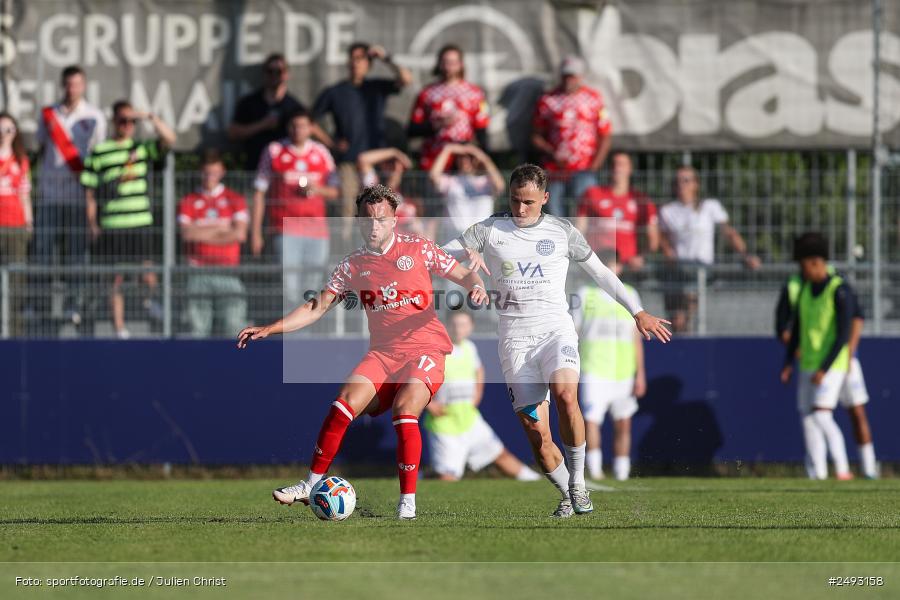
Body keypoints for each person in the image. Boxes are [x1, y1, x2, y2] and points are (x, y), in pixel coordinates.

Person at [237, 184, 489, 520]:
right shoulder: (352, 265)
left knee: (405, 409)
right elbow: (316, 307)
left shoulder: (418, 248)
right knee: (342, 404)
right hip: (384, 353)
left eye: (381, 219)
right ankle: (311, 484)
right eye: (368, 220)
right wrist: (271, 327)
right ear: (358, 222)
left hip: (425, 346)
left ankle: (407, 505)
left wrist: (477, 286)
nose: (375, 226)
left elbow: (463, 274)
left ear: (394, 220)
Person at [442, 164, 671, 517]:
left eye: (529, 203)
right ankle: (567, 493)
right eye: (516, 201)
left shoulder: (562, 231)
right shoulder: (488, 230)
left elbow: (602, 274)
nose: (520, 210)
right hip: (515, 341)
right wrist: (464, 258)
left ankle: (578, 483)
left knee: (566, 395)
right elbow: (434, 256)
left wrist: (636, 311)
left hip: (555, 330)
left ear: (545, 198)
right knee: (538, 435)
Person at [775, 234, 878, 479]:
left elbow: (852, 322)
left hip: (839, 362)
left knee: (853, 412)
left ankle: (864, 469)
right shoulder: (802, 289)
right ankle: (818, 474)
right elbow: (793, 328)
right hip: (813, 363)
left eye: (802, 264)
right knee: (811, 417)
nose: (800, 271)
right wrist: (790, 361)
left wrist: (849, 353)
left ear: (813, 262)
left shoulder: (838, 287)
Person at [81, 101, 176, 339]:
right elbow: (90, 191)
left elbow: (170, 139)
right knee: (115, 278)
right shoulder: (100, 151)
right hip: (113, 223)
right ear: (114, 121)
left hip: (139, 221)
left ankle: (148, 303)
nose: (127, 125)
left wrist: (150, 116)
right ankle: (119, 327)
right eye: (122, 120)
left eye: (131, 121)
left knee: (148, 273)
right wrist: (92, 223)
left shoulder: (141, 148)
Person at [424, 310, 541, 482]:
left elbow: (478, 369)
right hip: (445, 423)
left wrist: (478, 392)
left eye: (463, 325)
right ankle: (425, 477)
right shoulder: (436, 351)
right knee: (448, 478)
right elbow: (415, 378)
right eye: (454, 325)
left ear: (471, 327)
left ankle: (534, 481)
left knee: (501, 455)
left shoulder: (470, 348)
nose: (458, 329)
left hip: (470, 420)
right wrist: (429, 403)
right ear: (446, 326)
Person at [34, 65, 106, 327]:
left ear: (83, 86)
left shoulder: (95, 116)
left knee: (77, 254)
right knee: (43, 252)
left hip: (79, 196)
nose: (72, 89)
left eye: (76, 84)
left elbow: (98, 156)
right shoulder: (49, 114)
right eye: (68, 84)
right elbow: (42, 148)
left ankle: (73, 305)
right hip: (50, 195)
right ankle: (39, 305)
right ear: (62, 85)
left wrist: (91, 200)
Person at [314, 42, 411, 236]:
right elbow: (310, 121)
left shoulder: (376, 87)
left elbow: (406, 79)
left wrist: (385, 57)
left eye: (361, 58)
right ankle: (346, 247)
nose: (356, 62)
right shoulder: (335, 92)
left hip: (376, 160)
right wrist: (331, 143)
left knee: (381, 206)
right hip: (349, 161)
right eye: (353, 58)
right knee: (349, 206)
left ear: (369, 64)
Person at [251, 108, 339, 309]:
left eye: (302, 125)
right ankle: (291, 334)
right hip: (284, 228)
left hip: (316, 230)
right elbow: (259, 191)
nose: (297, 130)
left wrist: (317, 189)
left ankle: (307, 335)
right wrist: (256, 232)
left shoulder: (321, 152)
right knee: (289, 286)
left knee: (313, 286)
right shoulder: (274, 150)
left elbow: (336, 191)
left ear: (310, 128)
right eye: (293, 125)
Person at [659, 166, 761, 333]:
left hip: (701, 270)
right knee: (676, 321)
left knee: (690, 317)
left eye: (686, 180)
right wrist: (667, 252)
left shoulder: (709, 206)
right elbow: (662, 238)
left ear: (696, 184)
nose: (681, 185)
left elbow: (728, 232)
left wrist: (746, 255)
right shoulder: (668, 211)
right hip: (679, 269)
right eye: (678, 181)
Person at [572, 251, 646, 481]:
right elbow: (573, 332)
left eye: (615, 264)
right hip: (594, 369)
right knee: (592, 420)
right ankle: (594, 470)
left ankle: (622, 472)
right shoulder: (586, 295)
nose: (611, 269)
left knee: (623, 422)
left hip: (623, 371)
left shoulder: (630, 294)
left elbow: (636, 337)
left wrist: (639, 374)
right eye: (606, 264)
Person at [177, 152, 248, 338]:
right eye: (206, 173)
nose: (210, 178)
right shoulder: (188, 201)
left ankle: (234, 365)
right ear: (200, 172)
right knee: (198, 329)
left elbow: (239, 234)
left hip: (228, 271)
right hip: (198, 271)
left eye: (214, 173)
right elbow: (187, 234)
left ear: (222, 172)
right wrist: (222, 230)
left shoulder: (235, 199)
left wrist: (202, 232)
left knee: (234, 326)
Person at [531, 56, 612, 216]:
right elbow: (535, 136)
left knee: (585, 214)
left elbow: (605, 135)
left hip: (584, 168)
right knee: (554, 215)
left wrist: (595, 166)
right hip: (555, 169)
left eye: (572, 76)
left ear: (581, 76)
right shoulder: (548, 100)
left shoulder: (594, 99)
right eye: (565, 75)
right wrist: (551, 152)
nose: (568, 80)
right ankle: (559, 241)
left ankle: (582, 242)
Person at [228, 53, 331, 171]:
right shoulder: (249, 103)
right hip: (255, 167)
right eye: (270, 71)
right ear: (264, 73)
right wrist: (262, 125)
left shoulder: (294, 106)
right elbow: (232, 133)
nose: (274, 75)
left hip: (284, 172)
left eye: (279, 71)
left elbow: (312, 127)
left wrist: (332, 144)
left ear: (286, 74)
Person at [408, 44, 489, 170]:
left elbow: (482, 129)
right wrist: (437, 125)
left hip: (464, 161)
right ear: (439, 64)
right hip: (434, 159)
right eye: (445, 62)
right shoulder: (428, 93)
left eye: (453, 62)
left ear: (461, 64)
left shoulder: (475, 93)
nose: (448, 67)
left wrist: (480, 155)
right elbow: (412, 129)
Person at [575, 152, 659, 271]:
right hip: (596, 264)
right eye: (614, 164)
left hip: (628, 268)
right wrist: (583, 255)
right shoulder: (592, 194)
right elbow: (579, 229)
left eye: (622, 164)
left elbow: (653, 239)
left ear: (630, 168)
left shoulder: (641, 200)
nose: (617, 168)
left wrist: (641, 258)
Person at [428, 143, 505, 241]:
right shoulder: (451, 181)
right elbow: (433, 177)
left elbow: (500, 185)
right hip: (454, 238)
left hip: (481, 240)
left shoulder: (486, 182)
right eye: (461, 157)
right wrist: (448, 149)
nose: (464, 161)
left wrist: (483, 158)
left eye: (469, 157)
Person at [0, 113, 33, 336]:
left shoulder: (21, 160)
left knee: (16, 280)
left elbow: (24, 195)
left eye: (9, 129)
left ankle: (13, 331)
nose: (4, 134)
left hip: (15, 225)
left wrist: (29, 222)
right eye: (1, 129)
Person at [356, 147, 426, 237]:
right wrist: (394, 152)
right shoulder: (374, 189)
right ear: (383, 166)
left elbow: (420, 231)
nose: (394, 168)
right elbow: (363, 159)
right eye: (390, 164)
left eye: (398, 165)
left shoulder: (409, 198)